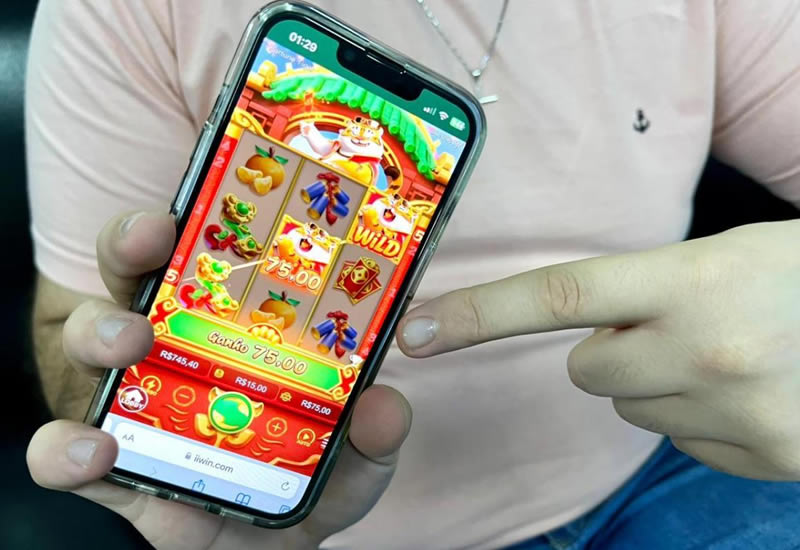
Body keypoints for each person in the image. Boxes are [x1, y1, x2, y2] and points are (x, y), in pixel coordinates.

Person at [24, 1, 800, 548]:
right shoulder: (127, 12)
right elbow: (71, 327)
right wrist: (129, 395)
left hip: (674, 466)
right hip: (315, 524)